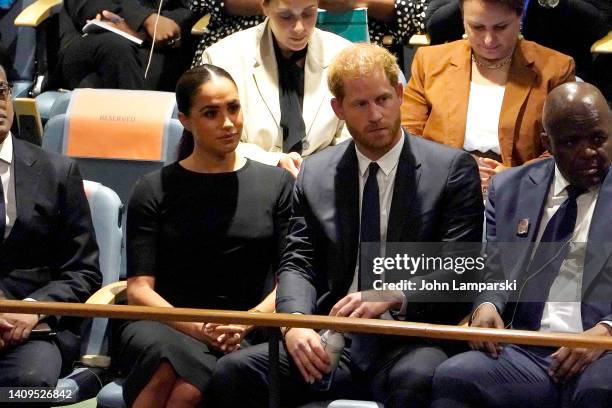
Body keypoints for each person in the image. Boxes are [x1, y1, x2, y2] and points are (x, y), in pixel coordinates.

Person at [207, 43, 483, 408]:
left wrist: (395, 294)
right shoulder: (316, 173)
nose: (376, 115)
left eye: (383, 99)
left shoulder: (450, 170)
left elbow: (460, 267)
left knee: (417, 380)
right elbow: (297, 262)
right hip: (334, 335)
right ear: (339, 109)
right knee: (234, 372)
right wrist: (295, 323)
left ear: (400, 95)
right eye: (360, 104)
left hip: (410, 337)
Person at [112, 64, 293, 408]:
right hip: (165, 322)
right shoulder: (153, 189)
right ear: (186, 120)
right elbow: (138, 290)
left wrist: (247, 321)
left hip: (249, 326)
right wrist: (199, 328)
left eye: (233, 108)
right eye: (211, 113)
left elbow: (290, 279)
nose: (227, 123)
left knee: (188, 392)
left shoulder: (277, 185)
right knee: (164, 368)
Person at [431, 82, 612, 408]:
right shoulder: (509, 187)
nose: (588, 152)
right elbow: (495, 269)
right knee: (453, 377)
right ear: (548, 143)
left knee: (599, 392)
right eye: (571, 142)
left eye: (598, 138)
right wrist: (486, 306)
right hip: (524, 348)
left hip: (604, 352)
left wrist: (606, 333)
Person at [401, 0, 575, 193]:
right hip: (444, 189)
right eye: (477, 27)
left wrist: (515, 176)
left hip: (523, 192)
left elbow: (565, 145)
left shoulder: (555, 69)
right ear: (462, 18)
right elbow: (408, 136)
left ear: (520, 17)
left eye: (501, 27)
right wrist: (454, 170)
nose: (488, 40)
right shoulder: (430, 62)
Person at [0, 64, 102, 391]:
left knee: (29, 382)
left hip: (33, 331)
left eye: (1, 91)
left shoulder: (56, 172)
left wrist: (33, 310)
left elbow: (83, 271)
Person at [195, 0, 353, 178]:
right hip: (249, 179)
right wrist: (273, 161)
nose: (299, 27)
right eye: (286, 16)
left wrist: (316, 169)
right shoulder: (222, 57)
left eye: (309, 14)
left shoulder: (345, 54)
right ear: (264, 7)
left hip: (326, 178)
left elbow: (353, 132)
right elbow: (213, 139)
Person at [424, 0, 611, 101]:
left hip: (553, 76)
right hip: (475, 72)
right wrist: (475, 6)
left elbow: (601, 22)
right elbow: (434, 24)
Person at [189, 0, 429, 67]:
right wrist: (281, 5)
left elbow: (419, 11)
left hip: (356, 45)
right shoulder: (223, 54)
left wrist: (360, 1)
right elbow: (198, 2)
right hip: (250, 45)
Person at [48, 0, 197, 92]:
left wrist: (147, 29)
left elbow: (193, 10)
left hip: (152, 46)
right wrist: (144, 19)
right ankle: (140, 134)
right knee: (115, 47)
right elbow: (88, 4)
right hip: (87, 42)